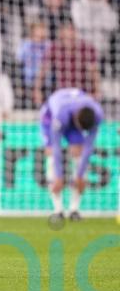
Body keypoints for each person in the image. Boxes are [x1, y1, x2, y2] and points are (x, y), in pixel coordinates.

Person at [40, 88, 103, 224]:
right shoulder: (61, 113)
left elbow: (89, 147)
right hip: (50, 117)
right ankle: (58, 210)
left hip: (73, 115)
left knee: (79, 152)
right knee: (51, 154)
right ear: (75, 119)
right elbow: (56, 147)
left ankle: (74, 210)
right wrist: (58, 176)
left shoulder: (97, 114)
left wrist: (80, 176)